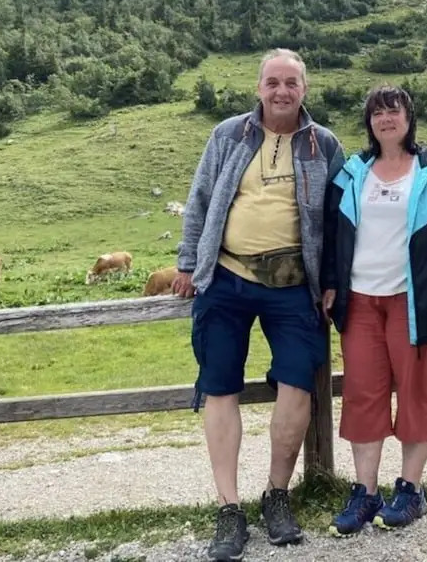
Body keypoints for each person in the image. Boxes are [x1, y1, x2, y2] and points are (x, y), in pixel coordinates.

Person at [172, 48, 345, 562]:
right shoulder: (228, 135)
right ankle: (229, 507)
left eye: (291, 82)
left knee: (298, 383)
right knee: (219, 385)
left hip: (294, 285)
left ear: (304, 89)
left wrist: (332, 281)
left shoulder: (323, 144)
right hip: (226, 279)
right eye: (273, 82)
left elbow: (339, 221)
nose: (281, 91)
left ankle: (276, 495)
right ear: (259, 87)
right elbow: (201, 199)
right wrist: (188, 263)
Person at [321, 83, 427, 537]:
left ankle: (410, 490)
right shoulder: (352, 172)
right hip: (360, 300)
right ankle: (365, 493)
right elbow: (333, 235)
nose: (386, 119)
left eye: (394, 110)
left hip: (415, 301)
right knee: (362, 394)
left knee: (416, 392)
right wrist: (331, 283)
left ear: (409, 118)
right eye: (377, 112)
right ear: (369, 122)